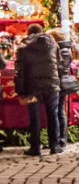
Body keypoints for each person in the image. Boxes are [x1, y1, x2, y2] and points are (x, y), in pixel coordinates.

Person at [15, 23, 61, 156]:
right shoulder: (52, 44)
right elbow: (58, 63)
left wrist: (20, 90)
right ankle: (54, 146)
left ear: (28, 33)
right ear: (42, 31)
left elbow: (19, 71)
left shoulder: (23, 47)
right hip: (51, 84)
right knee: (53, 114)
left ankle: (35, 147)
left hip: (31, 87)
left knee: (34, 117)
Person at [48, 28, 77, 153]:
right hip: (58, 81)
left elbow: (61, 67)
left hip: (61, 82)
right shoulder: (62, 50)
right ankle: (58, 138)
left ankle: (61, 139)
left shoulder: (63, 51)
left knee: (60, 111)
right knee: (58, 110)